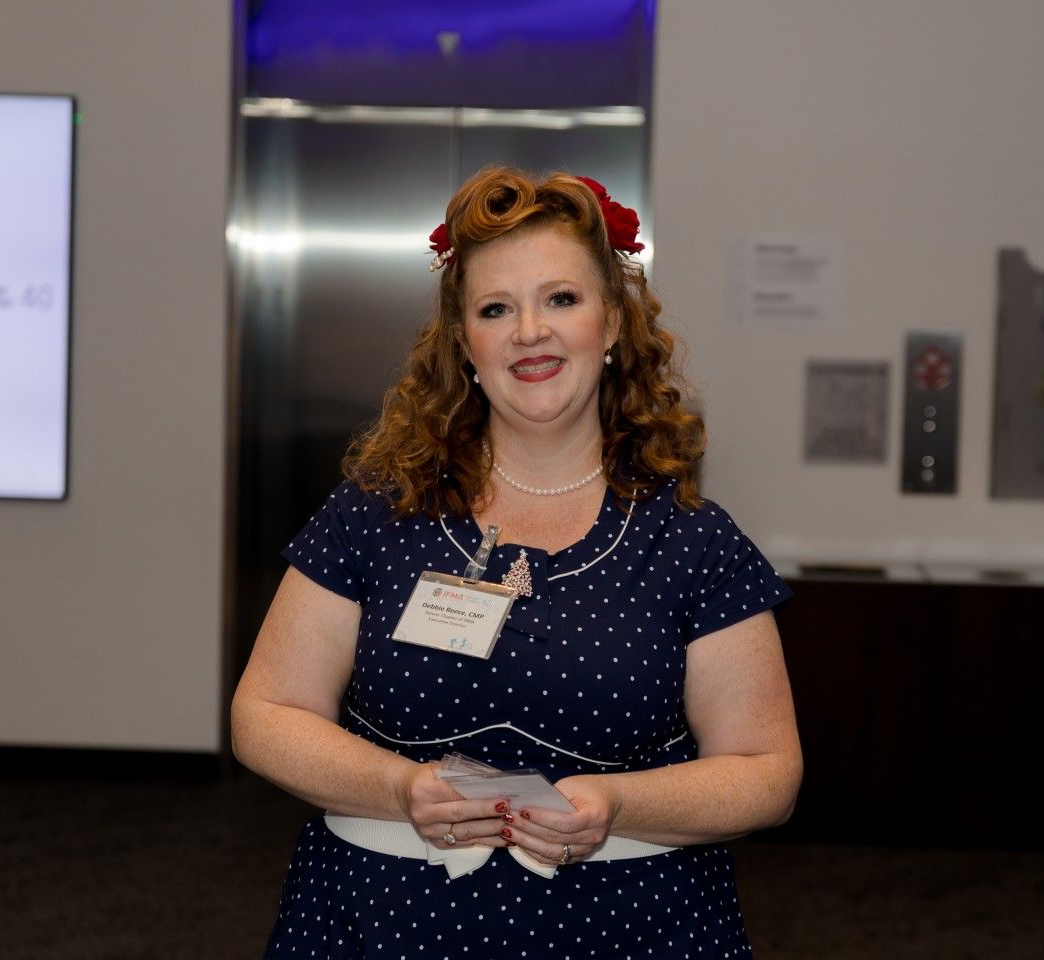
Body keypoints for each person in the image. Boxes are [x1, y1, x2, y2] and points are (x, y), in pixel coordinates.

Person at [231, 166, 802, 958]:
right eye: (496, 308)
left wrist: (615, 804)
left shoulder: (694, 542)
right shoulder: (377, 512)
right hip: (382, 921)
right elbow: (266, 716)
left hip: (631, 926)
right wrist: (402, 789)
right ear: (465, 343)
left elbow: (767, 771)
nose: (530, 330)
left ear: (610, 323)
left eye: (561, 299)